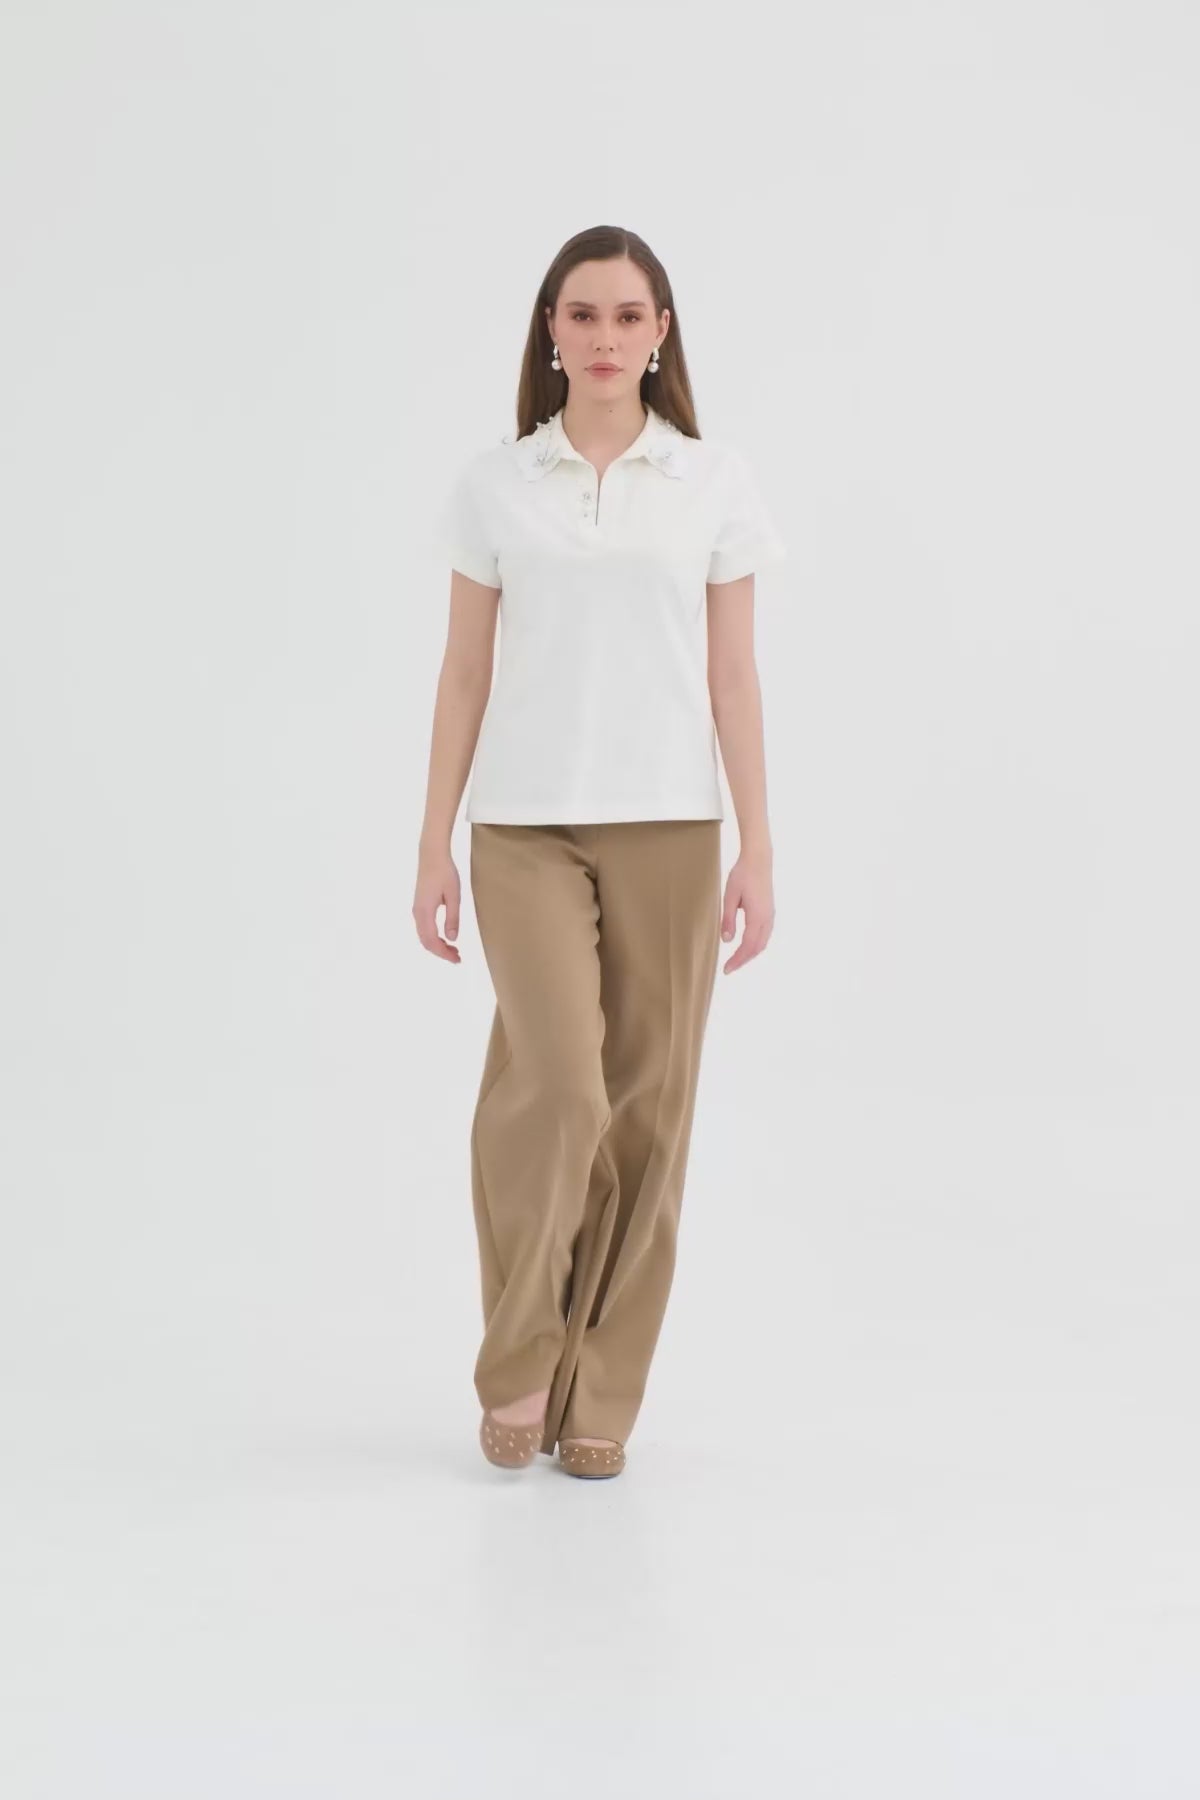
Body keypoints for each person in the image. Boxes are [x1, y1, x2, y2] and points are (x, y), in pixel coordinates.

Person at [413, 224, 786, 1480]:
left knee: (648, 1112)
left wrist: (759, 847)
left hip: (672, 823)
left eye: (629, 316)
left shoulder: (714, 480)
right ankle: (522, 1353)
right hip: (524, 824)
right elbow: (464, 673)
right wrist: (432, 844)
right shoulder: (496, 484)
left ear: (661, 333)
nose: (606, 337)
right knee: (561, 1086)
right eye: (583, 315)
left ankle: (604, 1387)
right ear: (552, 331)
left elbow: (734, 676)